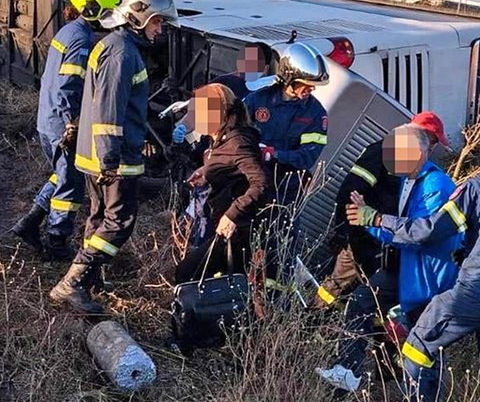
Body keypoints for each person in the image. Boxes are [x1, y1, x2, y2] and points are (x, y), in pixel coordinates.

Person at [49, 0, 180, 314]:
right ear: (138, 17)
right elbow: (109, 108)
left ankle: (89, 279)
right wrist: (110, 159)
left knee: (98, 217)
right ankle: (71, 284)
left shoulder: (118, 46)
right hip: (112, 159)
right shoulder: (122, 52)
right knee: (119, 221)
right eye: (157, 22)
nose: (159, 30)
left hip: (100, 154)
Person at [317, 123, 462, 392]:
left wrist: (375, 218)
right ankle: (347, 370)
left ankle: (421, 395)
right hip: (406, 271)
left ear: (417, 153)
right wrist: (367, 220)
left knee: (424, 354)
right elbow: (397, 233)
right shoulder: (408, 181)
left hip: (429, 281)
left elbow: (420, 233)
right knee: (362, 300)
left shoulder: (436, 184)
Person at [12, 0, 121, 261]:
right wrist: (73, 123)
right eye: (106, 10)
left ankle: (31, 221)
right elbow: (67, 87)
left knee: (61, 174)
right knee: (70, 184)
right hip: (62, 124)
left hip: (48, 119)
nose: (109, 18)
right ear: (91, 7)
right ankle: (57, 242)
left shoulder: (68, 31)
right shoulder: (81, 40)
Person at [348, 177, 480, 401]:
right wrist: (467, 252)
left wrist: (377, 219)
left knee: (419, 345)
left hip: (472, 291)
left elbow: (429, 230)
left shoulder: (474, 188)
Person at [316, 111, 450, 307]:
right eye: (431, 140)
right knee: (343, 285)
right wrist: (343, 232)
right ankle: (312, 319)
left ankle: (338, 323)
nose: (431, 146)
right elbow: (350, 190)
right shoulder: (382, 152)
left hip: (381, 235)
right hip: (363, 234)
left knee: (366, 292)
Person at [175, 83, 269, 283]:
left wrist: (232, 215)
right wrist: (205, 172)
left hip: (239, 230)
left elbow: (260, 183)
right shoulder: (220, 139)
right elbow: (230, 167)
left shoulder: (238, 142)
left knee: (187, 274)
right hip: (225, 226)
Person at [242, 42, 329, 207]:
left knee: (283, 229)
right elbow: (236, 129)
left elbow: (308, 156)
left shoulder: (316, 114)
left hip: (285, 190)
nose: (311, 89)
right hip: (249, 180)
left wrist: (274, 154)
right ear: (289, 79)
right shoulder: (258, 99)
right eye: (306, 84)